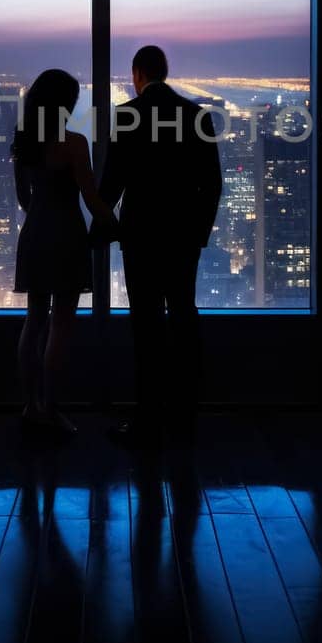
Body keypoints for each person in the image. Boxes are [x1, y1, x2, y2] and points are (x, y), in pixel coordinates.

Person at [100, 45, 223, 446]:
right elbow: (212, 184)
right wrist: (199, 234)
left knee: (147, 328)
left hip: (140, 238)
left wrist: (102, 222)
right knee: (184, 317)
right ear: (165, 72)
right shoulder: (197, 116)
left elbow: (114, 181)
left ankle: (148, 419)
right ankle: (186, 414)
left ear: (137, 74)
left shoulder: (127, 116)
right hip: (183, 237)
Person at [12, 68, 116, 437]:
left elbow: (24, 198)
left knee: (34, 320)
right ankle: (52, 410)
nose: (74, 105)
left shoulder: (23, 142)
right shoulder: (73, 143)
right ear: (62, 104)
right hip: (66, 234)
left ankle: (30, 407)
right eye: (71, 99)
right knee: (61, 325)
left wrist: (42, 211)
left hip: (36, 233)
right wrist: (116, 223)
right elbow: (90, 198)